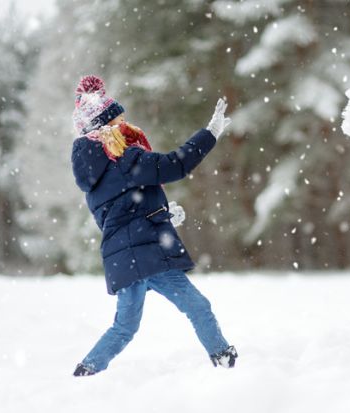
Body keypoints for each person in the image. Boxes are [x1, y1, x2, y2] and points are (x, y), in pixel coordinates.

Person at [70, 75, 237, 376]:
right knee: (198, 306)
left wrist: (162, 215)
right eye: (119, 117)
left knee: (124, 327)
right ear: (106, 126)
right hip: (148, 257)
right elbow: (176, 164)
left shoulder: (93, 175)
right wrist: (210, 133)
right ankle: (224, 358)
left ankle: (86, 372)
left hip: (125, 258)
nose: (125, 121)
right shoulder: (122, 157)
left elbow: (115, 218)